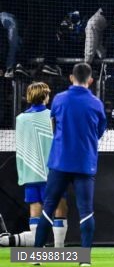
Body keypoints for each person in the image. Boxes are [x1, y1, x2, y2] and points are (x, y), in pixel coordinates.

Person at [34, 63, 107, 252]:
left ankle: (36, 257)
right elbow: (99, 132)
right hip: (85, 164)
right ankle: (84, 260)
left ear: (71, 77)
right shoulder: (96, 103)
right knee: (86, 211)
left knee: (48, 208)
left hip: (60, 162)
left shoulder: (59, 99)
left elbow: (53, 126)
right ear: (90, 81)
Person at [2, 83, 68, 248]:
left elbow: (21, 147)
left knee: (35, 207)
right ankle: (58, 248)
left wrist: (23, 173)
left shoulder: (20, 119)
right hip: (52, 172)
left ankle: (39, 248)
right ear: (45, 96)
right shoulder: (53, 116)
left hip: (30, 173)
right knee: (60, 206)